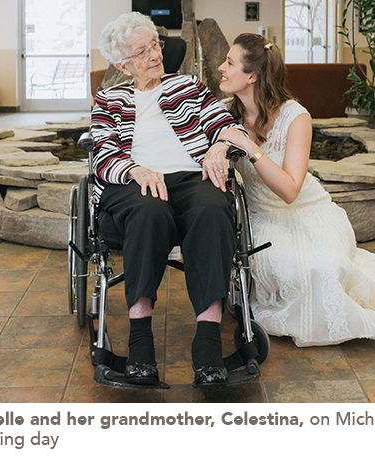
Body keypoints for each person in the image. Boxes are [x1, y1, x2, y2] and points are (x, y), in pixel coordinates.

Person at [217, 33, 375, 346]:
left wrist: (250, 147)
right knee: (299, 273)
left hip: (308, 212)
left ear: (252, 76)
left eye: (229, 62)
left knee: (325, 269)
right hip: (263, 219)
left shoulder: (295, 116)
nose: (221, 67)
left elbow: (290, 190)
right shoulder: (223, 113)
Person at [91, 12, 243, 385]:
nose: (155, 55)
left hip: (192, 175)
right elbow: (103, 153)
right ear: (122, 64)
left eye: (155, 45)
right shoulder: (109, 99)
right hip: (134, 180)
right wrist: (135, 170)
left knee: (212, 209)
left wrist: (219, 147)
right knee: (148, 212)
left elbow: (225, 125)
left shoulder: (188, 85)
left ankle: (207, 346)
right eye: (142, 51)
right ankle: (140, 343)